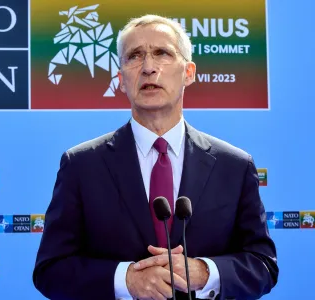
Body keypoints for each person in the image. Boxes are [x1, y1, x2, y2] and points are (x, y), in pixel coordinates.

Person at [32, 14, 278, 300]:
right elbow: (50, 270)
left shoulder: (234, 166)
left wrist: (205, 272)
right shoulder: (82, 165)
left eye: (162, 53)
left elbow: (263, 266)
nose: (148, 67)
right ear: (121, 79)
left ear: (188, 72)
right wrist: (126, 280)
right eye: (134, 56)